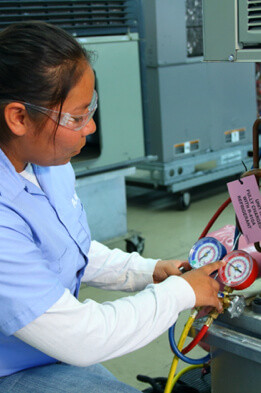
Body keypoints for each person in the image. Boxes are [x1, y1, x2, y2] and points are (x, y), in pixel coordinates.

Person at [0, 21, 224, 393]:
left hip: (43, 352)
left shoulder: (45, 163)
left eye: (91, 110)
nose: (89, 128)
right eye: (75, 117)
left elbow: (66, 247)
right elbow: (82, 338)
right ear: (19, 118)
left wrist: (147, 271)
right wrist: (182, 292)